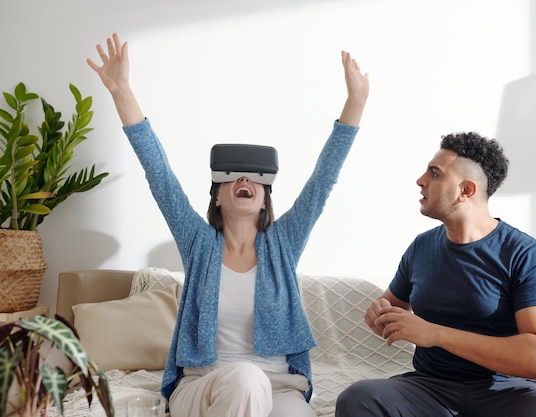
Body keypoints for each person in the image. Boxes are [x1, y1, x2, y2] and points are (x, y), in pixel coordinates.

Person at [87, 33, 369, 417]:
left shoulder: (283, 244)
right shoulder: (198, 244)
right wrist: (121, 90)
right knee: (243, 379)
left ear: (266, 196)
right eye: (232, 177)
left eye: (254, 178)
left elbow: (322, 182)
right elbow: (160, 175)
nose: (244, 181)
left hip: (279, 385)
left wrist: (355, 102)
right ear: (217, 196)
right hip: (203, 384)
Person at [335, 132, 536, 417]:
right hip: (432, 389)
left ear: (466, 190)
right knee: (358, 398)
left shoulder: (524, 254)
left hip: (510, 392)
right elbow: (392, 304)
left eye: (435, 173)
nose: (420, 180)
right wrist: (380, 312)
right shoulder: (422, 247)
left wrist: (435, 333)